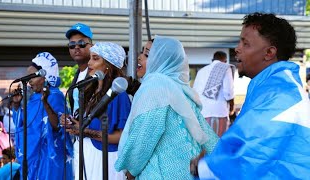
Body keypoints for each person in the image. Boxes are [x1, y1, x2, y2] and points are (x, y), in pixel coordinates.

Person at [195, 12, 310, 179]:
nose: (237, 48)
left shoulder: (281, 94)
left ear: (269, 52)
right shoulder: (273, 86)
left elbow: (251, 154)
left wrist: (204, 167)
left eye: (245, 43)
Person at [115, 36, 219, 179]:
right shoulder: (180, 89)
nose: (139, 58)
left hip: (161, 174)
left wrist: (131, 171)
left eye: (147, 54)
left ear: (162, 61)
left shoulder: (155, 86)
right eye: (142, 53)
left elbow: (144, 137)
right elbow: (209, 137)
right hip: (186, 173)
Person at [61, 42, 131, 180]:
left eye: (95, 58)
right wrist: (73, 123)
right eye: (90, 58)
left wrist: (84, 131)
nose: (89, 63)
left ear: (108, 65)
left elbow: (122, 137)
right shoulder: (91, 90)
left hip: (106, 159)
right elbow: (88, 124)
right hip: (87, 154)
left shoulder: (119, 95)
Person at [12, 52, 73, 179]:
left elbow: (58, 126)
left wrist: (45, 103)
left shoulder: (56, 96)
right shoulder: (32, 98)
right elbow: (21, 124)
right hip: (32, 158)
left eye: (32, 76)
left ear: (44, 75)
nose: (29, 81)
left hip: (49, 158)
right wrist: (17, 105)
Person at [193, 51, 235, 137]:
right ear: (225, 60)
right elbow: (228, 92)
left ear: (212, 60)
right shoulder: (225, 68)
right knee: (217, 144)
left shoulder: (201, 71)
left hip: (202, 113)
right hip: (218, 112)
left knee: (205, 145)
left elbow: (195, 91)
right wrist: (232, 108)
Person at [66, 22, 93, 115]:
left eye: (81, 43)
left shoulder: (96, 74)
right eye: (72, 45)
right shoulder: (77, 74)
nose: (76, 47)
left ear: (91, 46)